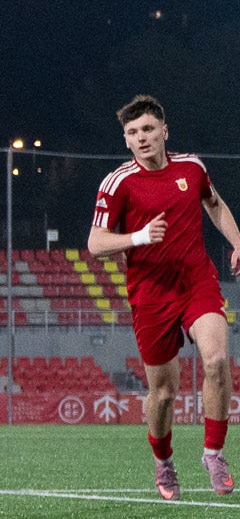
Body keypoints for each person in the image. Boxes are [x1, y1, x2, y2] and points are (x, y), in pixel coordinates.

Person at [86, 94, 240, 498]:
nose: (142, 138)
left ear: (164, 132)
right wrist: (138, 237)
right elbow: (95, 243)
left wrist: (238, 241)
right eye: (133, 133)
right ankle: (163, 461)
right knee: (164, 393)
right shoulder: (118, 182)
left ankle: (213, 452)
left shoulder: (192, 167)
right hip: (151, 295)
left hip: (196, 282)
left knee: (218, 360)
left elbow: (214, 203)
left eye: (149, 129)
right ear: (126, 140)